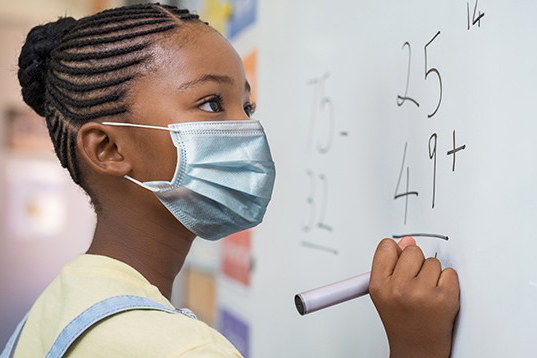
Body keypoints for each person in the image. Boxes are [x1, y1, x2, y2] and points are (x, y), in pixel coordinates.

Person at [2, 3, 460, 357]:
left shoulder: (61, 304)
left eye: (248, 107)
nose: (246, 130)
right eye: (210, 104)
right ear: (108, 149)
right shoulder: (178, 349)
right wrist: (417, 348)